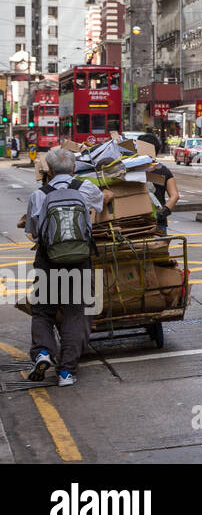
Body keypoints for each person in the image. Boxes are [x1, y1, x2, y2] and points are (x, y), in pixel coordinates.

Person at [25, 147, 114, 387]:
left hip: (48, 259)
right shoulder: (85, 188)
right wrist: (106, 196)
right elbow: (101, 201)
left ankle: (43, 352)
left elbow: (33, 233)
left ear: (50, 171)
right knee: (79, 311)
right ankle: (66, 372)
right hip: (80, 259)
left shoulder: (39, 195)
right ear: (74, 168)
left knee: (43, 310)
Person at [139, 133, 179, 234]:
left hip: (136, 222)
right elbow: (174, 196)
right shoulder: (163, 170)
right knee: (159, 249)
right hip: (159, 222)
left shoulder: (133, 170)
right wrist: (163, 212)